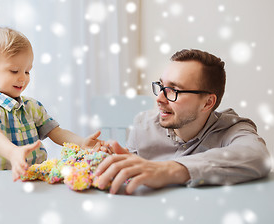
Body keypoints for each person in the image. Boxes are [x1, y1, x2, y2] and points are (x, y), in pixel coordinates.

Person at [95, 49, 272, 194]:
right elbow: (133, 171)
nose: (159, 99)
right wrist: (108, 158)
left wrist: (171, 170)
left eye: (173, 90)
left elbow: (258, 156)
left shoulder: (232, 129)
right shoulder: (143, 125)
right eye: (161, 86)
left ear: (207, 103)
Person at [0, 26, 102, 181]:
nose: (23, 78)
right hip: (0, 179)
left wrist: (81, 142)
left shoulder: (32, 106)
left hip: (35, 177)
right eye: (14, 71)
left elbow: (57, 132)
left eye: (27, 71)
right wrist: (13, 152)